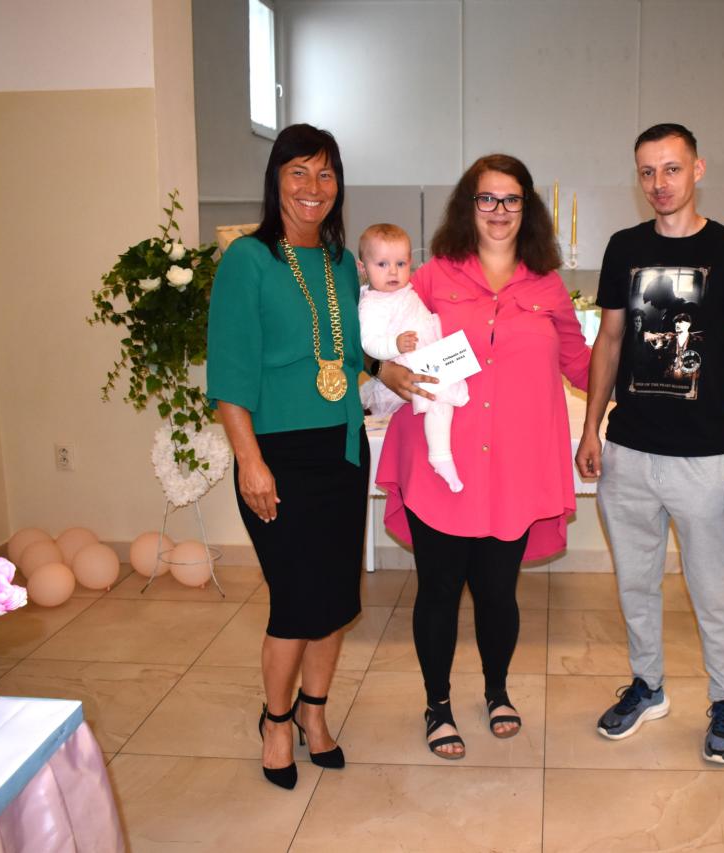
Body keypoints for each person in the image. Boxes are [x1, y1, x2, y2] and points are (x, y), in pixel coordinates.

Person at [376, 154, 590, 759]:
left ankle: (497, 691)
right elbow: (383, 328)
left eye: (511, 199)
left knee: (498, 592)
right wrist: (383, 368)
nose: (499, 211)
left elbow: (580, 361)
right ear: (468, 206)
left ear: (528, 208)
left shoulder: (546, 285)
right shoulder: (432, 277)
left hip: (513, 471)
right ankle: (437, 705)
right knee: (439, 591)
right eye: (487, 198)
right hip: (441, 464)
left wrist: (639, 384)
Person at [575, 123, 724, 765]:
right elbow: (609, 342)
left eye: (671, 169)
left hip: (706, 457)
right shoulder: (624, 247)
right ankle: (648, 686)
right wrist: (591, 427)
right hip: (629, 452)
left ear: (697, 169)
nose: (659, 183)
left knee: (713, 592)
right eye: (647, 172)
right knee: (635, 585)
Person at [207, 124, 368, 789]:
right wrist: (250, 461)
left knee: (336, 598)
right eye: (298, 171)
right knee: (296, 599)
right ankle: (276, 720)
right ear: (276, 179)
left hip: (343, 447)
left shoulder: (343, 263)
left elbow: (353, 354)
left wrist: (393, 368)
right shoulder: (248, 260)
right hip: (276, 454)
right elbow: (229, 375)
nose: (312, 187)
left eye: (325, 174)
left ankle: (314, 711)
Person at [357, 223, 470, 492]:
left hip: (426, 354)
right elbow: (368, 342)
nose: (393, 272)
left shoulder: (406, 291)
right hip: (405, 363)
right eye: (382, 264)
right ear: (363, 268)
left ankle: (442, 455)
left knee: (443, 401)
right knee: (438, 400)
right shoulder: (372, 303)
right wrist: (394, 345)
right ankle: (440, 456)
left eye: (401, 263)